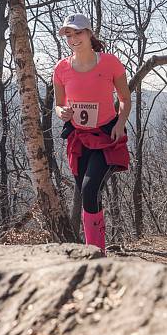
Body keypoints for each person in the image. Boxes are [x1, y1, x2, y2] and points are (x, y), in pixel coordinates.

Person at [52, 13, 131, 256]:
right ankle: (93, 252)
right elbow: (58, 104)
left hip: (107, 136)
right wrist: (62, 112)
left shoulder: (110, 63)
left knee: (89, 189)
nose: (74, 38)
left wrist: (120, 122)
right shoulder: (61, 68)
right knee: (87, 194)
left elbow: (125, 99)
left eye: (78, 32)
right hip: (78, 138)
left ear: (89, 33)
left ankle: (96, 253)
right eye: (69, 34)